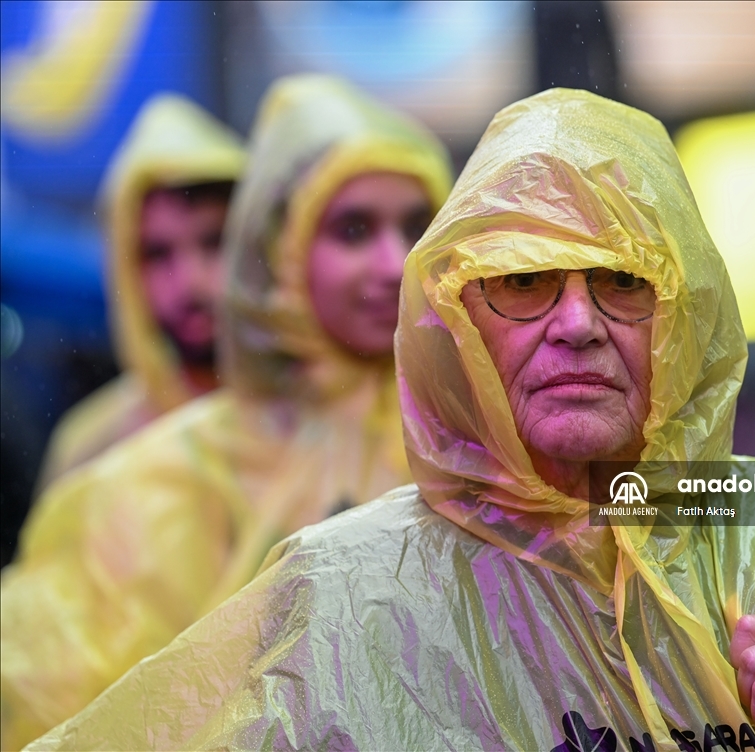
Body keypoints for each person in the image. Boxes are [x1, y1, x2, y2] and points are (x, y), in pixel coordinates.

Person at [25, 90, 755, 752]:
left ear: (683, 313)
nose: (579, 323)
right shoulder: (334, 589)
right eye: (525, 283)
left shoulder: (749, 513)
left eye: (624, 281)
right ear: (457, 319)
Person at [0, 74, 451, 751]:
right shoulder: (129, 473)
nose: (394, 263)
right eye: (353, 228)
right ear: (279, 246)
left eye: (419, 225)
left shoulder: (484, 422)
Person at [34, 95, 245, 490]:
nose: (190, 282)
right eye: (158, 254)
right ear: (126, 268)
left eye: (214, 242)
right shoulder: (93, 448)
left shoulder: (313, 421)